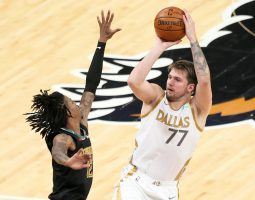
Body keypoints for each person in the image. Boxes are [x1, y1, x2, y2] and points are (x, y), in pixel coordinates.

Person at [113, 10, 212, 200]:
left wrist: (192, 39)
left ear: (191, 87)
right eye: (169, 77)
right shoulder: (156, 98)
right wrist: (159, 47)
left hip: (167, 190)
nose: (170, 82)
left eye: (177, 80)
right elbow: (134, 81)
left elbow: (205, 81)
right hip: (136, 182)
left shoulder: (197, 110)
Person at [25, 10, 120, 200]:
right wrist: (68, 162)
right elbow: (57, 152)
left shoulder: (82, 123)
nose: (78, 103)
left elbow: (91, 84)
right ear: (68, 113)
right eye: (72, 102)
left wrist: (101, 43)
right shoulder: (64, 138)